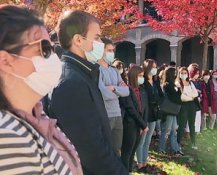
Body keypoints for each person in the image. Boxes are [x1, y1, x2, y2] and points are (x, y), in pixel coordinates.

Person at [0, 5, 82, 174]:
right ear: (6, 61)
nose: (53, 57)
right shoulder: (7, 137)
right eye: (44, 48)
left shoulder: (39, 117)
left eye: (52, 48)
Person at [48, 10, 127, 174]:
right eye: (97, 37)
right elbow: (92, 151)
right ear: (78, 40)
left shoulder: (83, 73)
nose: (101, 44)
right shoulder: (70, 82)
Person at [97, 38, 129, 156]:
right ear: (101, 51)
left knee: (116, 151)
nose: (112, 53)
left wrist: (114, 88)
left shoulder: (114, 70)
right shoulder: (96, 70)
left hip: (117, 114)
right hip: (106, 114)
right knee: (105, 151)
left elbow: (126, 91)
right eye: (109, 50)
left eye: (112, 50)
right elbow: (103, 94)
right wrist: (117, 92)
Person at [120, 66, 149, 173]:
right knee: (127, 153)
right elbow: (131, 109)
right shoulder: (126, 89)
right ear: (133, 76)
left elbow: (145, 108)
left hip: (139, 125)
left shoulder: (142, 90)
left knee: (133, 152)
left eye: (142, 76)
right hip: (130, 124)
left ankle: (129, 171)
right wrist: (143, 125)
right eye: (140, 76)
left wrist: (143, 125)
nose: (142, 78)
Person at [137, 59, 163, 171]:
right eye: (153, 67)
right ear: (148, 68)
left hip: (154, 113)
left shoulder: (156, 81)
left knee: (148, 140)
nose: (155, 69)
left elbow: (160, 96)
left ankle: (145, 162)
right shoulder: (143, 82)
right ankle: (140, 164)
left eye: (156, 66)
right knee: (141, 140)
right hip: (145, 113)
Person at [158, 67, 183, 156]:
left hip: (173, 111)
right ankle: (161, 148)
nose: (176, 75)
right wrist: (178, 91)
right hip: (168, 111)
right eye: (174, 73)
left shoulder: (174, 85)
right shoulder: (167, 84)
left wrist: (178, 90)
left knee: (174, 131)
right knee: (166, 131)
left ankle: (175, 149)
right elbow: (174, 97)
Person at [176, 67, 198, 149]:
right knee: (182, 125)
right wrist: (190, 97)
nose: (183, 74)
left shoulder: (190, 83)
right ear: (179, 73)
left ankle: (193, 143)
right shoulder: (178, 83)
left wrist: (188, 95)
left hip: (192, 106)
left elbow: (195, 94)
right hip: (183, 106)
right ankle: (178, 143)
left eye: (185, 73)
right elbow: (182, 97)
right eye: (182, 73)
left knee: (192, 124)